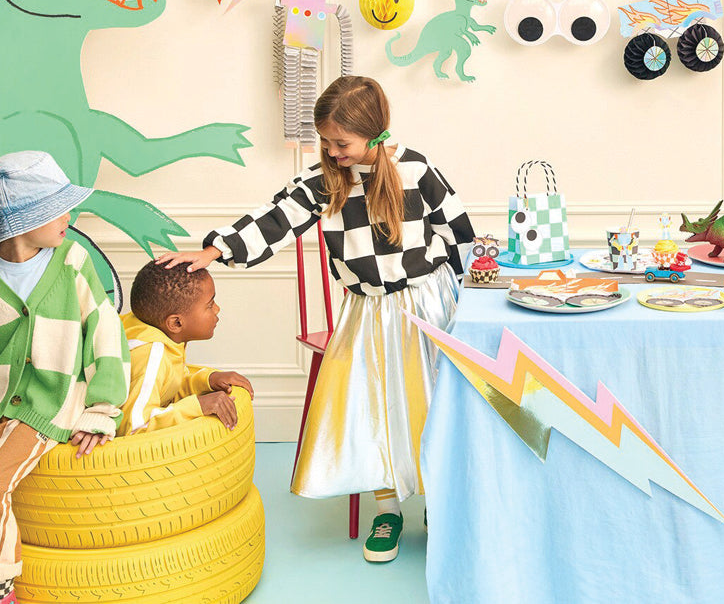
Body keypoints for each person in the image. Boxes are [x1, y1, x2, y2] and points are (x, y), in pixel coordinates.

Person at [157, 75, 475, 563]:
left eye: (341, 143)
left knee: (434, 403)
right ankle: (387, 509)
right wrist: (215, 250)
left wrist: (469, 298)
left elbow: (460, 234)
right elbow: (273, 219)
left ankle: (437, 501)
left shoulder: (416, 170)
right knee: (371, 406)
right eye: (325, 141)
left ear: (374, 131)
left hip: (427, 307)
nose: (332, 151)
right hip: (368, 311)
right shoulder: (324, 182)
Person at [0, 151, 129, 604]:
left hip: (46, 404)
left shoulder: (73, 259)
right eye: (55, 210)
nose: (68, 219)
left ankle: (3, 588)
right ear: (20, 221)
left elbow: (105, 334)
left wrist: (101, 409)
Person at [118, 261, 253, 436]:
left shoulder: (151, 331)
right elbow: (134, 427)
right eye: (210, 304)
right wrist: (198, 406)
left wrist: (206, 381)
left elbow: (167, 387)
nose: (217, 309)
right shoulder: (151, 354)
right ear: (176, 323)